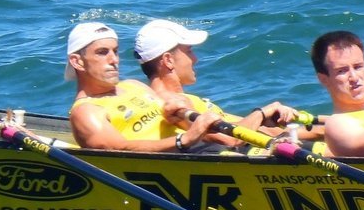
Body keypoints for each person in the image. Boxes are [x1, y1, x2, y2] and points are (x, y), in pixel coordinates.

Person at [133, 18, 315, 144]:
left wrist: (269, 119)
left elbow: (240, 126)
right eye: (189, 51)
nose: (195, 59)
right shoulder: (174, 104)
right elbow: (229, 139)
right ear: (168, 60)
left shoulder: (187, 99)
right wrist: (262, 112)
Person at [65, 21, 221, 152]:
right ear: (77, 61)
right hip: (180, 159)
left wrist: (187, 119)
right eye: (102, 52)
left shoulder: (134, 85)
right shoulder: (86, 111)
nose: (114, 59)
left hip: (205, 147)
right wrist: (184, 140)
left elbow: (179, 120)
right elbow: (119, 149)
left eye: (116, 51)